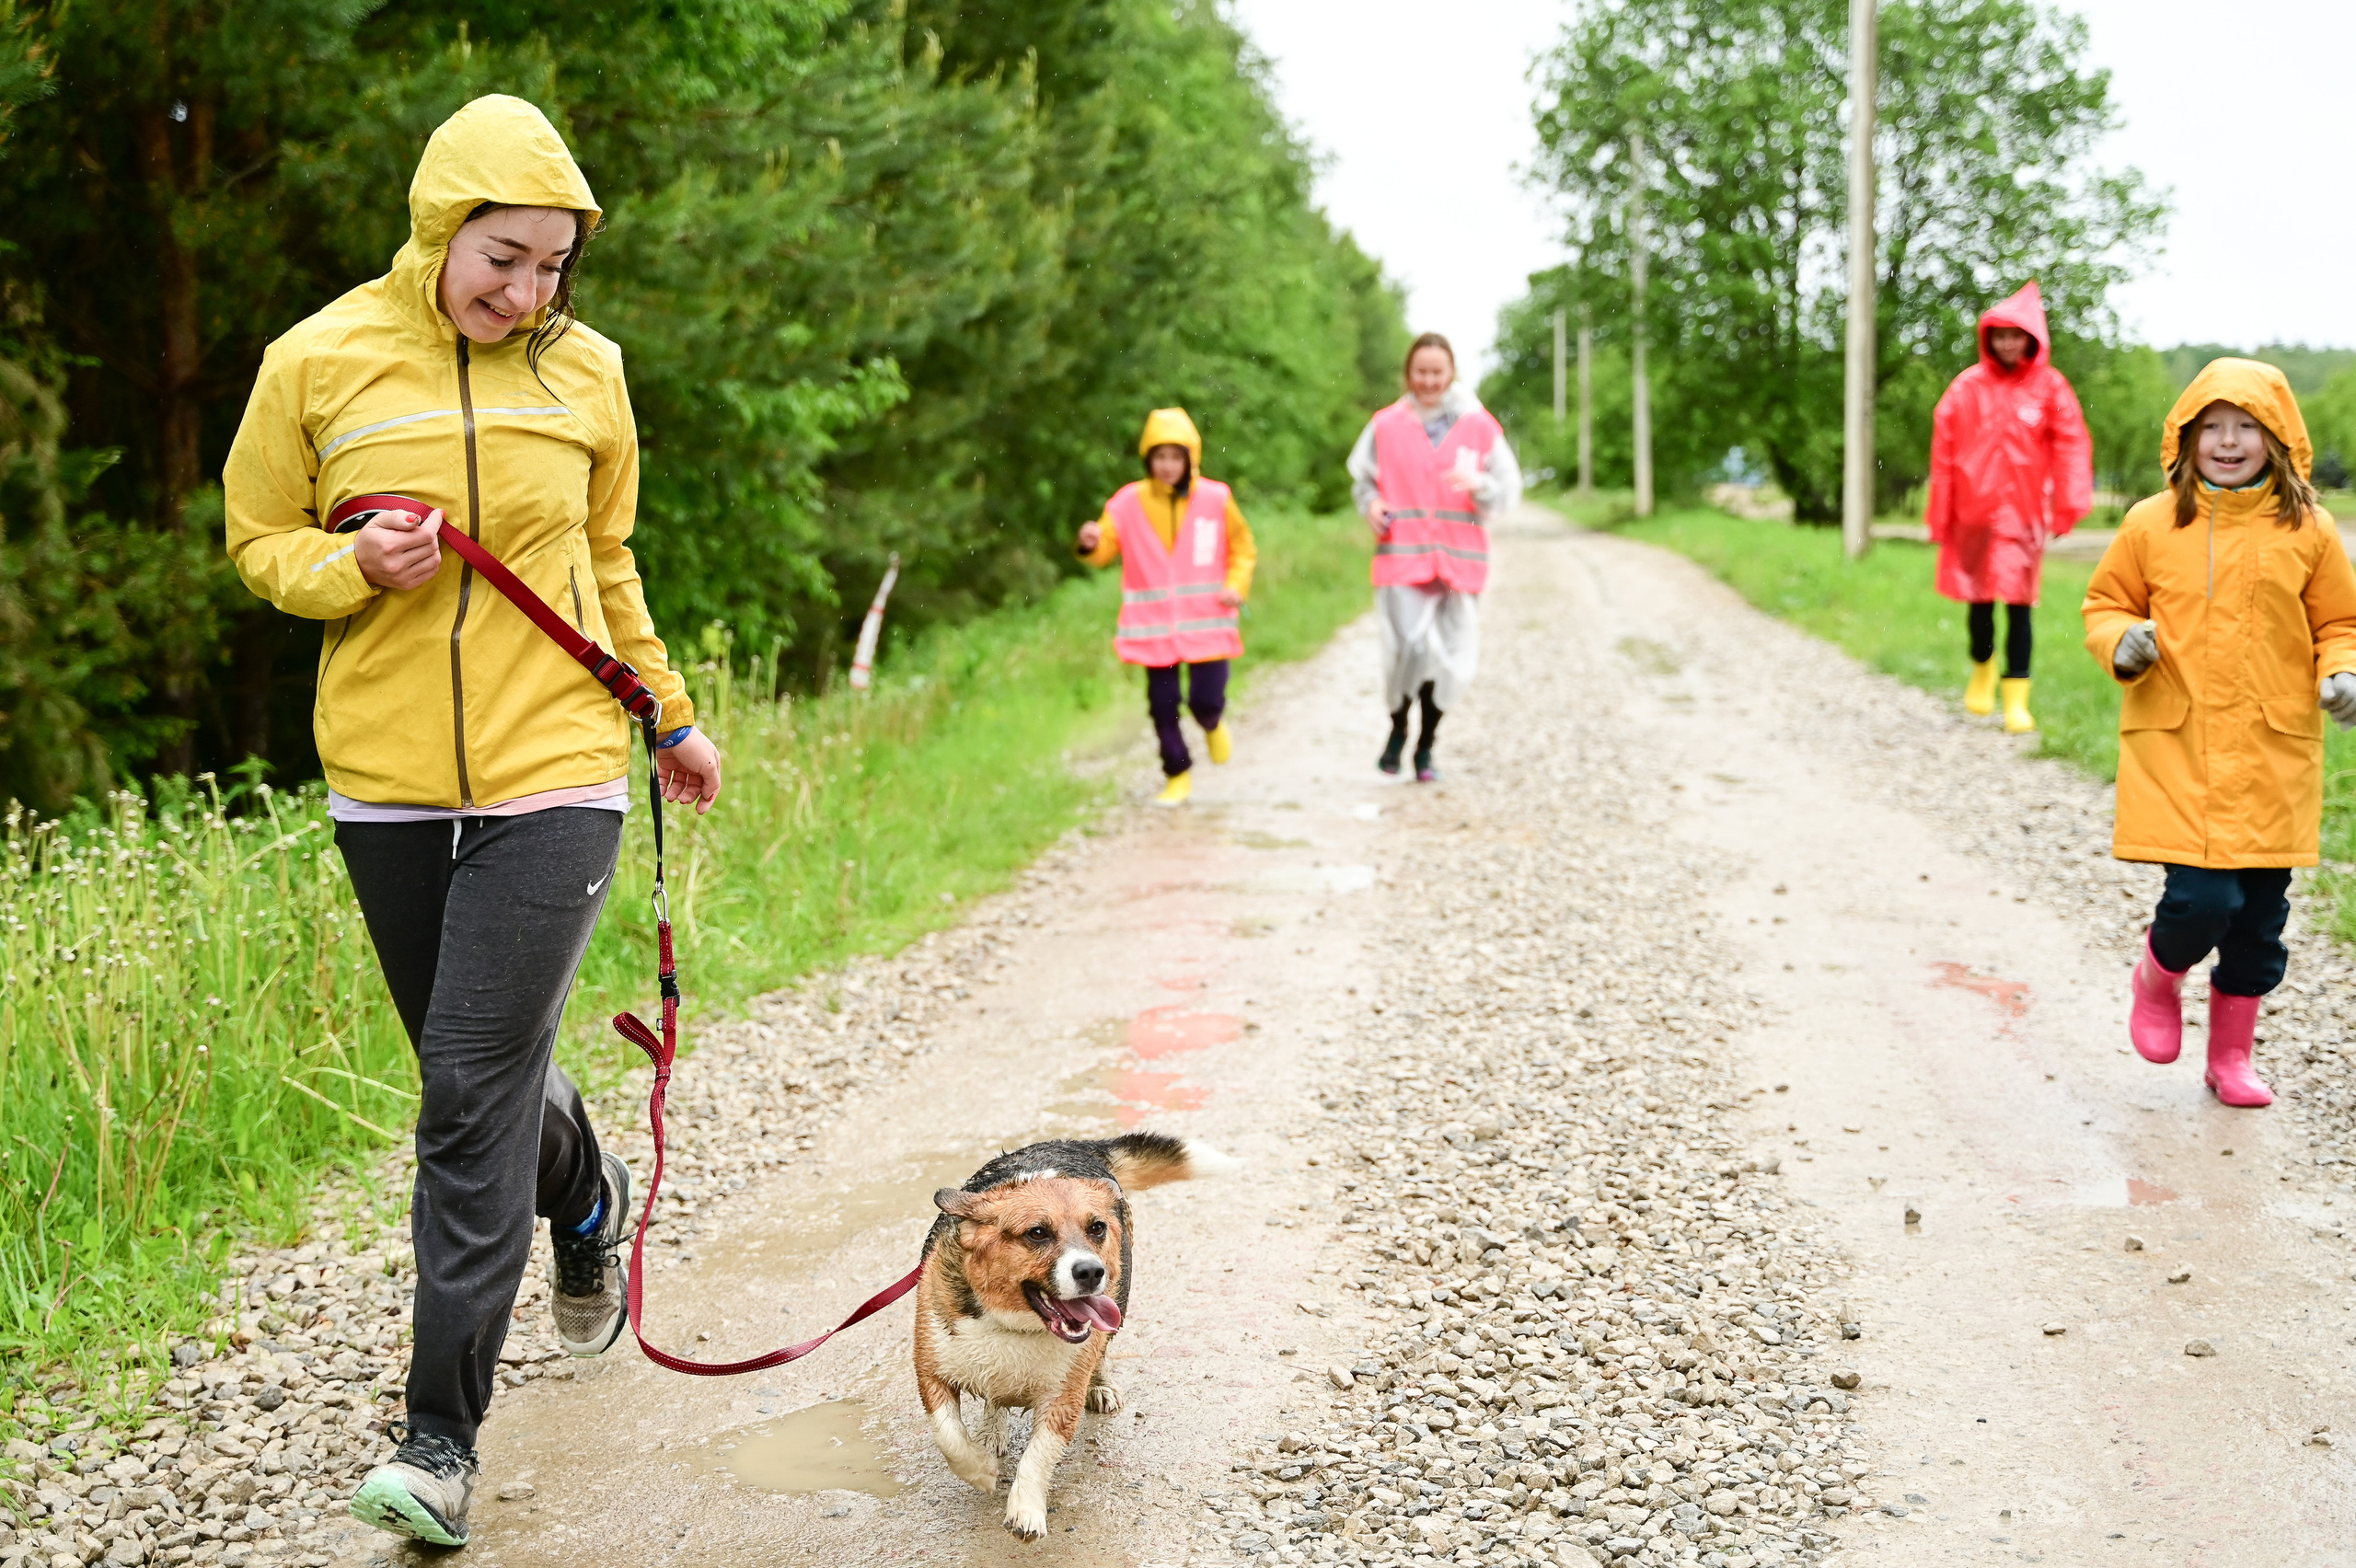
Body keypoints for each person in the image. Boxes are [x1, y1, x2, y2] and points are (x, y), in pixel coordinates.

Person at [223, 96, 724, 1546]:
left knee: (462, 1093)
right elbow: (259, 541)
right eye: (503, 259)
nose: (526, 293)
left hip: (555, 769)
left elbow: (608, 559)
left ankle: (438, 1439)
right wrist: (349, 571)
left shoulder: (588, 373)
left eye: (554, 266)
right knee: (485, 1077)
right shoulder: (316, 360)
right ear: (441, 228)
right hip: (385, 782)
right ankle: (586, 1192)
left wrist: (668, 715)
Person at [2082, 359, 2356, 1108]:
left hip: (2274, 752)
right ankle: (2157, 975)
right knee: (2201, 901)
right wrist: (2122, 642)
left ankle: (2230, 1057)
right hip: (2180, 747)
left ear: (2278, 438)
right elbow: (2105, 605)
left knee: (2260, 922)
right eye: (2213, 428)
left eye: (2246, 427)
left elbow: (2340, 622)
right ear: (2186, 437)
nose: (2228, 442)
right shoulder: (2151, 523)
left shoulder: (2309, 529)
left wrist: (2342, 671)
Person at [1347, 331, 1521, 780]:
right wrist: (1371, 503)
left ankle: (1426, 747)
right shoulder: (1386, 425)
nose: (1428, 381)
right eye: (1420, 372)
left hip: (1460, 562)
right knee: (1408, 651)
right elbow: (1363, 480)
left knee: (1450, 659)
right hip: (1403, 559)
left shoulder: (1478, 426)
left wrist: (1480, 485)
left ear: (1451, 373)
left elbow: (1508, 489)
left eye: (1436, 372)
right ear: (1408, 374)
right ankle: (1398, 728)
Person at [1924, 281, 2093, 734]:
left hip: (2023, 512)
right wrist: (1940, 513)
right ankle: (1982, 670)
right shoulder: (1966, 388)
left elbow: (2071, 445)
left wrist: (2069, 504)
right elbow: (1943, 452)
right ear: (1989, 338)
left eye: (2015, 335)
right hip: (1973, 511)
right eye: (1999, 335)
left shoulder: (2050, 387)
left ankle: (2017, 696)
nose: (2007, 344)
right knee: (1978, 600)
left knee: (2020, 603)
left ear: (2031, 338)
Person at [1075, 407, 1256, 807]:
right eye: (1160, 457)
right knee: (1162, 706)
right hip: (1154, 626)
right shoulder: (1127, 502)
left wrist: (1236, 585)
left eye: (1176, 457)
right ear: (1148, 459)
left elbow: (1242, 546)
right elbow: (1104, 548)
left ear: (1191, 458)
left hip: (1207, 621)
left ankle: (1211, 722)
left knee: (1205, 699)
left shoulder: (1216, 498)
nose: (1168, 466)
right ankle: (1177, 774)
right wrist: (1090, 543)